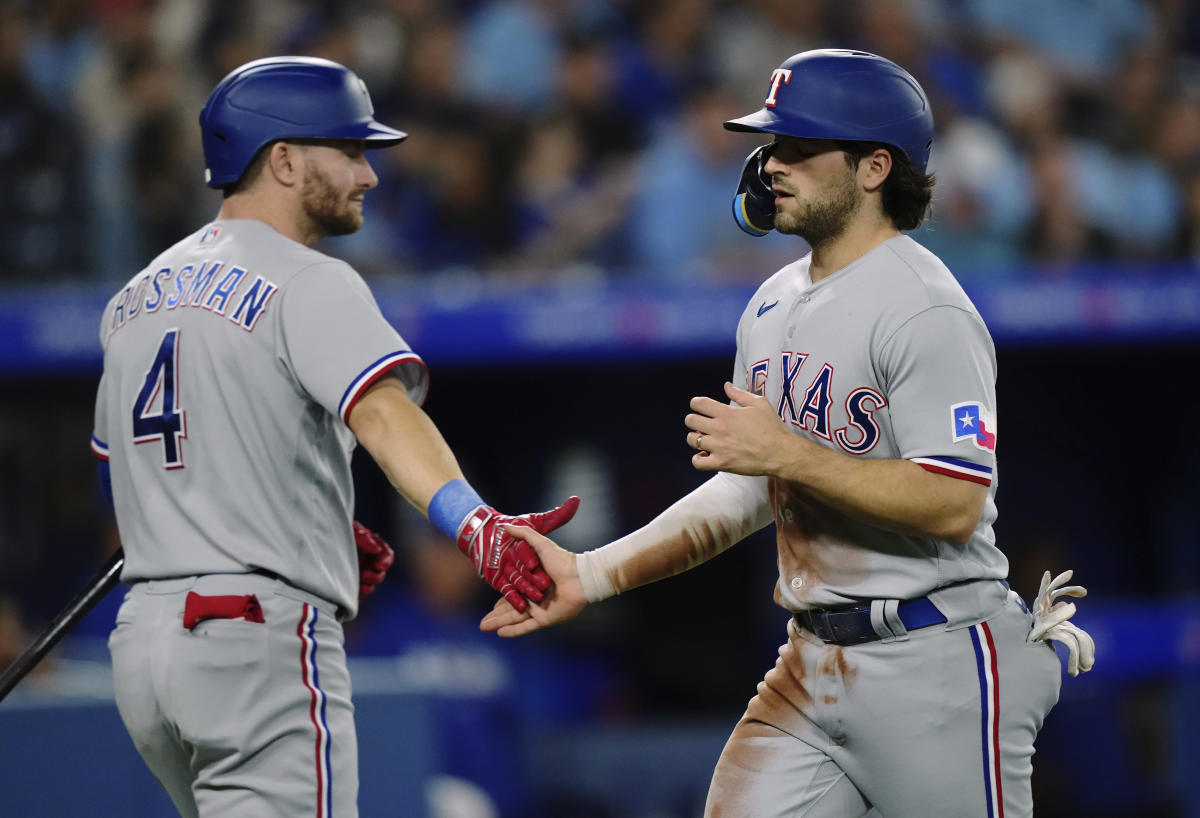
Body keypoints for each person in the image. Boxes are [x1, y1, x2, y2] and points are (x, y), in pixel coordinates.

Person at [482, 49, 1095, 818]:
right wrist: (591, 574)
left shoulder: (926, 307)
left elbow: (954, 502)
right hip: (811, 659)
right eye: (773, 144)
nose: (774, 164)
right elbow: (749, 490)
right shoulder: (771, 303)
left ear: (875, 168)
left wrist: (789, 454)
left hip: (937, 661)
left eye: (802, 148)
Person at [89, 56, 577, 818]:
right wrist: (477, 526)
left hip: (146, 652)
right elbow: (385, 415)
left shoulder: (131, 299)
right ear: (282, 160)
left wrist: (297, 520)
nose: (369, 174)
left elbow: (120, 482)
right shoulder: (310, 279)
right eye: (348, 152)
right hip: (256, 639)